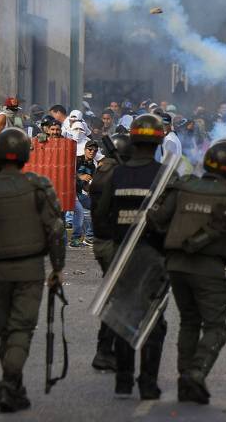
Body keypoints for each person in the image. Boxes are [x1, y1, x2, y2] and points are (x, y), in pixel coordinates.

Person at [148, 139, 226, 404]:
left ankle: (184, 379)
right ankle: (196, 374)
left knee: (189, 321)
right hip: (208, 267)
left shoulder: (183, 184)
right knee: (215, 327)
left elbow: (156, 219)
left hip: (174, 265)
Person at [0, 128, 65, 413]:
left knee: (6, 332)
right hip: (30, 271)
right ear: (25, 154)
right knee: (20, 330)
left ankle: (13, 385)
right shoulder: (38, 186)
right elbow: (55, 230)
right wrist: (57, 267)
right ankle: (9, 385)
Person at [92, 114, 168, 399]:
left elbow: (100, 217)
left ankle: (123, 380)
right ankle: (147, 383)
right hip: (153, 257)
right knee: (153, 323)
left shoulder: (117, 174)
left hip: (122, 255)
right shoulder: (164, 174)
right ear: (159, 140)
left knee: (123, 316)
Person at [88, 133, 132, 372]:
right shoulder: (116, 174)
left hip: (103, 241)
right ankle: (104, 351)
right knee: (119, 299)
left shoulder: (103, 169)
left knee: (117, 296)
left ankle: (106, 350)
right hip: (113, 242)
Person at [71, 140, 98, 247]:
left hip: (79, 193)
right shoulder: (77, 160)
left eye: (95, 151)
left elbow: (85, 185)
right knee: (80, 212)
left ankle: (89, 237)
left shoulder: (92, 166)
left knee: (98, 207)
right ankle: (75, 239)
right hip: (69, 192)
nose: (92, 152)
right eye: (90, 150)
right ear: (85, 150)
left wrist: (90, 190)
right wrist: (80, 176)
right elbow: (68, 172)